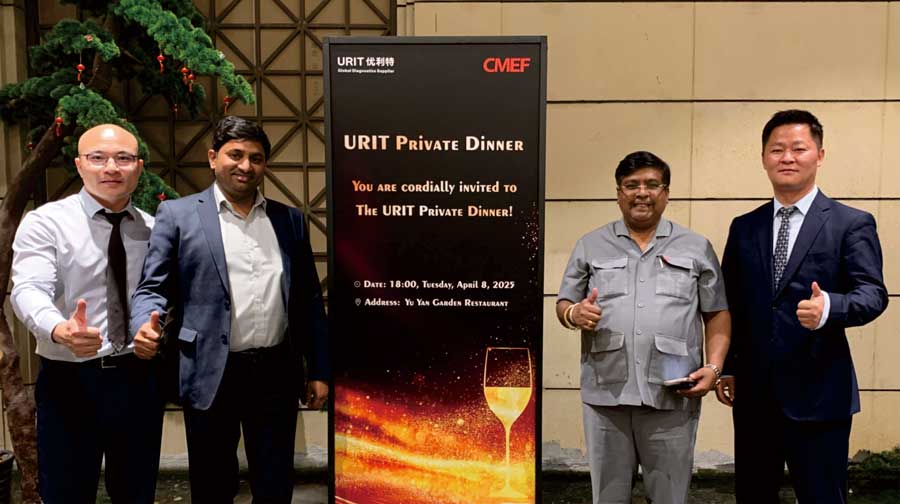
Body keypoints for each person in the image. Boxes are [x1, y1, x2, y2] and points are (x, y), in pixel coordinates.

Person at [130, 115, 330, 502]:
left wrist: (319, 369)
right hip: (210, 372)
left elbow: (308, 300)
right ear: (212, 158)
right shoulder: (178, 215)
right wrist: (144, 323)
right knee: (212, 485)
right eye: (235, 155)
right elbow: (152, 287)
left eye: (256, 158)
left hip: (275, 370)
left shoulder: (289, 220)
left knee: (275, 484)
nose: (245, 166)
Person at [717, 109, 888, 503]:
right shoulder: (745, 226)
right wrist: (728, 365)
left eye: (798, 149)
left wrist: (830, 307)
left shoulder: (850, 223)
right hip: (755, 397)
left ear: (820, 155)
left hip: (820, 395)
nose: (787, 158)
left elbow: (872, 293)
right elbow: (731, 301)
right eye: (777, 150)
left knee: (822, 497)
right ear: (764, 158)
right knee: (753, 495)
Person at [556, 151, 730, 504]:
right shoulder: (591, 244)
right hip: (606, 395)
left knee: (669, 497)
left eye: (652, 185)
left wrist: (714, 368)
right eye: (631, 185)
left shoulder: (696, 247)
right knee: (608, 498)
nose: (642, 193)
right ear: (618, 193)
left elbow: (717, 313)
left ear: (666, 193)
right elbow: (564, 304)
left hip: (673, 393)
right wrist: (575, 313)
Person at [10, 124, 164, 503]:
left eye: (123, 158)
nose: (111, 167)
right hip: (69, 382)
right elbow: (28, 288)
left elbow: (163, 294)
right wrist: (59, 329)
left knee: (137, 493)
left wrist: (156, 330)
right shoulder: (47, 222)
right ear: (79, 165)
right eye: (98, 158)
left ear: (138, 167)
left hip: (137, 380)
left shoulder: (154, 228)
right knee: (66, 494)